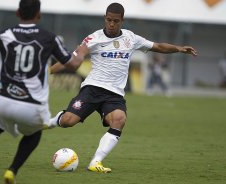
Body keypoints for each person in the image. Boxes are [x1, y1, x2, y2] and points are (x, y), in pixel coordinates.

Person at [44, 2, 197, 173]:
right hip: (92, 88)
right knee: (67, 121)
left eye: (115, 21)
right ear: (104, 18)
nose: (111, 24)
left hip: (114, 94)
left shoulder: (130, 38)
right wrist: (49, 71)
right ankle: (50, 121)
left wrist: (178, 48)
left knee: (119, 119)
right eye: (108, 20)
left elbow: (158, 46)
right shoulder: (93, 38)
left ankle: (96, 162)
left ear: (122, 20)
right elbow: (74, 58)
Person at [0, 0, 85, 183]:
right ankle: (12, 171)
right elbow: (73, 64)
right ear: (39, 15)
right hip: (32, 104)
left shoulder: (4, 34)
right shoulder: (48, 37)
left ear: (18, 13)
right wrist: (82, 51)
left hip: (5, 100)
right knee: (34, 133)